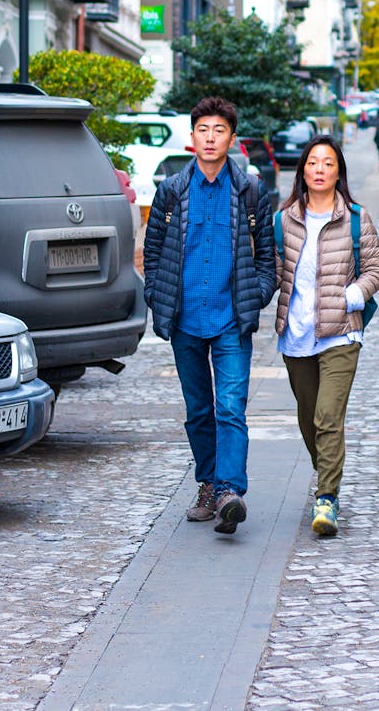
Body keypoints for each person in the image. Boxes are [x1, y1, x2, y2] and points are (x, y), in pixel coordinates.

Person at [143, 97, 276, 534]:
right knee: (199, 409)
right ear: (192, 137)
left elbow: (267, 259)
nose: (210, 138)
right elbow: (155, 250)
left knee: (231, 408)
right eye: (203, 130)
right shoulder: (172, 190)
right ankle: (207, 484)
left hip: (230, 319)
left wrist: (254, 296)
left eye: (219, 130)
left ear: (231, 139)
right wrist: (156, 298)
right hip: (185, 319)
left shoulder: (251, 191)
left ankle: (229, 492)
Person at [274, 134, 379, 536]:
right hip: (297, 334)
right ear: (302, 171)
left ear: (339, 173)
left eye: (328, 164)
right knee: (308, 421)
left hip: (341, 332)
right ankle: (328, 476)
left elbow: (375, 268)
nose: (320, 170)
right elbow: (272, 273)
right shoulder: (283, 219)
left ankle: (327, 499)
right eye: (313, 163)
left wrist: (356, 293)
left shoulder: (355, 217)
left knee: (327, 416)